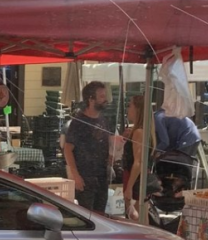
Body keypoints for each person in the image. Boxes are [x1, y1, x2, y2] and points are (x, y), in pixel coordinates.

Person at [63, 81, 112, 213]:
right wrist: (76, 176)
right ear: (91, 99)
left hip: (101, 177)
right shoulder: (78, 122)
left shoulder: (103, 120)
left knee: (100, 215)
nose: (105, 99)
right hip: (85, 178)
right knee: (86, 215)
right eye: (101, 96)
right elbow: (67, 149)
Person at [122, 96, 147, 220]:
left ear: (137, 109)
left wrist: (129, 187)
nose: (128, 109)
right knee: (138, 216)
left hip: (135, 178)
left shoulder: (139, 132)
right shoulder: (139, 131)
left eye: (130, 105)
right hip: (136, 178)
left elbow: (138, 162)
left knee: (136, 218)